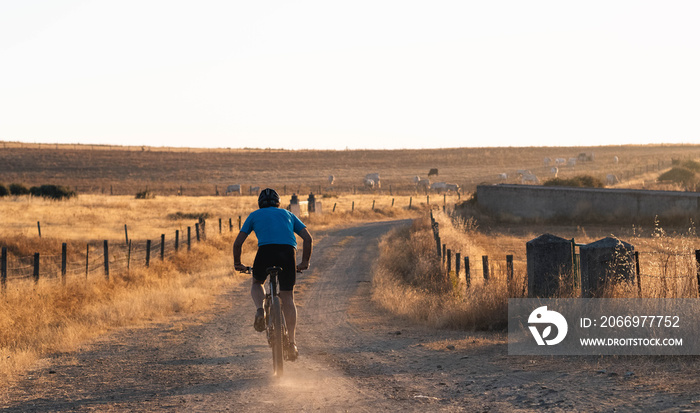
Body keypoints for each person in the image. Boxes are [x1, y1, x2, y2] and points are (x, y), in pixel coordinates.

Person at [233, 188, 313, 361]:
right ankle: (291, 343)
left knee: (256, 283)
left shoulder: (254, 215)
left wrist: (237, 264)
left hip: (265, 252)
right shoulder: (288, 214)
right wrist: (304, 262)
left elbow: (238, 242)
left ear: (259, 203)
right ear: (278, 202)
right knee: (288, 298)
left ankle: (260, 310)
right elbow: (308, 238)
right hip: (287, 253)